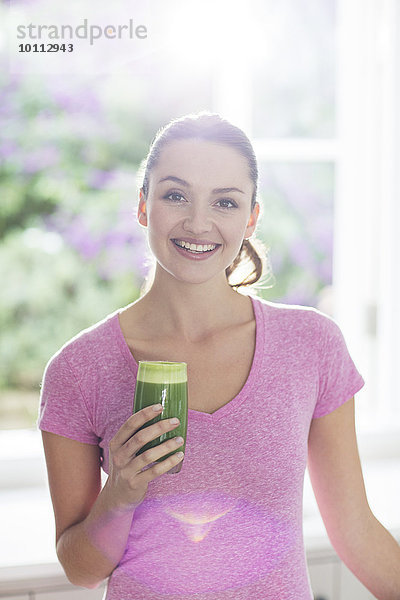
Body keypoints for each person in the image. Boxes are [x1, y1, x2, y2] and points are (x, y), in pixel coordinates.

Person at [38, 112, 400, 600]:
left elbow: (356, 532)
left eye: (225, 202)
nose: (198, 222)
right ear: (143, 205)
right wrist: (119, 494)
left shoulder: (310, 346)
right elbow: (80, 569)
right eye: (175, 195)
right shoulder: (78, 371)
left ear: (251, 218)